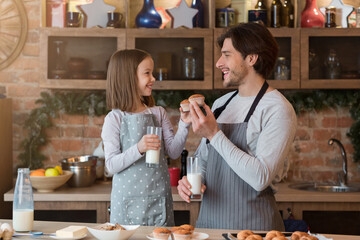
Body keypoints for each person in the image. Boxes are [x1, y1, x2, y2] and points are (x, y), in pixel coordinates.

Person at [177, 22, 297, 230]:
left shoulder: (278, 109)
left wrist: (214, 134)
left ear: (251, 58)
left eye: (227, 55)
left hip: (254, 229)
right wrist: (189, 181)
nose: (218, 63)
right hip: (210, 227)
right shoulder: (221, 105)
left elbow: (260, 178)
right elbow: (204, 160)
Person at [102, 49, 191, 226]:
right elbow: (112, 165)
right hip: (126, 204)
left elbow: (174, 152)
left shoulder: (158, 113)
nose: (153, 78)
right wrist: (139, 148)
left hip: (159, 200)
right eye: (147, 73)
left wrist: (184, 124)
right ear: (128, 77)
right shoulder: (114, 118)